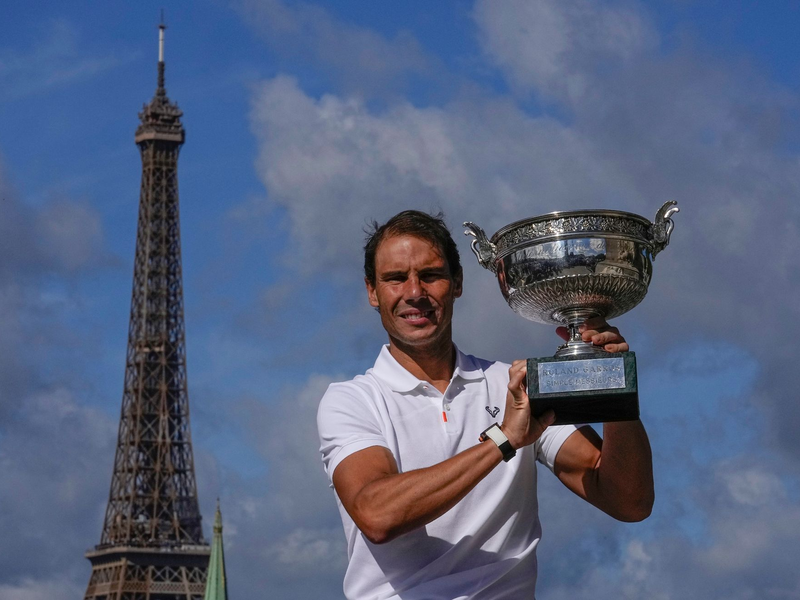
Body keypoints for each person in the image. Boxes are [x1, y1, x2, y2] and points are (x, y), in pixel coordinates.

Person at [317, 210, 654, 600]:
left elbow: (630, 502)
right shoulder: (352, 399)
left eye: (430, 275)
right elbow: (377, 515)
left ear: (457, 283)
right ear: (372, 291)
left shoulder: (513, 384)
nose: (414, 292)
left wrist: (613, 386)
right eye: (395, 278)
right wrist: (503, 439)